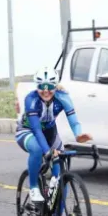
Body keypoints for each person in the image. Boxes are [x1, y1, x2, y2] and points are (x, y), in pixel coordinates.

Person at [15, 67, 92, 205]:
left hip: (50, 132)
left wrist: (78, 135)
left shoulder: (63, 97)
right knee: (37, 149)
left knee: (61, 176)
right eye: (41, 87)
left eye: (50, 87)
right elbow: (37, 130)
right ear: (36, 86)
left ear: (55, 85)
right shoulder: (31, 99)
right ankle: (34, 188)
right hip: (28, 131)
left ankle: (57, 214)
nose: (46, 91)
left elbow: (74, 122)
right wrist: (47, 151)